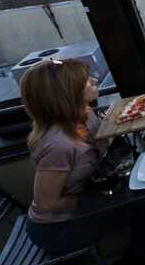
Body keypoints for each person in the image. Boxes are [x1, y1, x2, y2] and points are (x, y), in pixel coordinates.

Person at [22, 58, 118, 254]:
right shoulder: (56, 145)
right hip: (57, 229)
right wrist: (97, 201)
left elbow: (103, 144)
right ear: (67, 92)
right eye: (84, 79)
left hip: (81, 201)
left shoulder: (85, 113)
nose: (93, 79)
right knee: (142, 206)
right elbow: (47, 203)